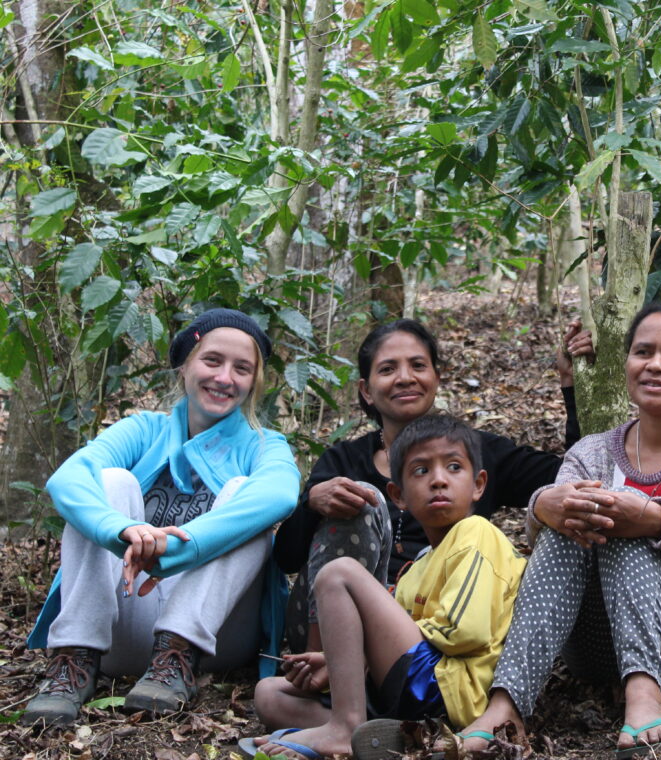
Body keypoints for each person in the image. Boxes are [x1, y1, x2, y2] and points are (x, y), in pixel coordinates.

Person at [449, 301, 661, 757]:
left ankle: (644, 695)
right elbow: (549, 540)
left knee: (620, 521)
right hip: (599, 646)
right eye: (643, 352)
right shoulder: (591, 451)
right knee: (583, 517)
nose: (655, 364)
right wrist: (542, 507)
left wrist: (649, 517)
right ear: (627, 363)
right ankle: (506, 704)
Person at [21, 308, 301, 727]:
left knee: (245, 494)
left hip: (211, 639)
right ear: (185, 365)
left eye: (242, 369)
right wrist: (122, 533)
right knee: (109, 481)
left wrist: (173, 547)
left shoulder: (263, 444)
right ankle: (73, 661)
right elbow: (68, 479)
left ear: (254, 383)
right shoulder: (143, 430)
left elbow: (281, 492)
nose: (225, 378)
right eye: (212, 360)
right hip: (121, 629)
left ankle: (175, 656)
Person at [273, 317, 590, 652]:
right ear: (366, 390)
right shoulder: (343, 461)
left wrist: (572, 385)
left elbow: (573, 474)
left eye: (418, 365)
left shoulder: (476, 454)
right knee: (355, 499)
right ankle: (324, 667)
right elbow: (288, 559)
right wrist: (311, 504)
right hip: (338, 622)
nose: (405, 378)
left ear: (436, 378)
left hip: (442, 624)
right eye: (388, 369)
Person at [241, 415, 527, 760]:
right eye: (421, 471)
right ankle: (391, 740)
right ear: (398, 495)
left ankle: (345, 729)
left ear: (479, 484)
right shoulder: (416, 566)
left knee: (338, 573)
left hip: (449, 690)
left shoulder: (477, 533)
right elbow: (394, 647)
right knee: (269, 694)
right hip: (410, 696)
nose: (438, 480)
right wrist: (339, 665)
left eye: (453, 467)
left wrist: (364, 656)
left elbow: (465, 632)